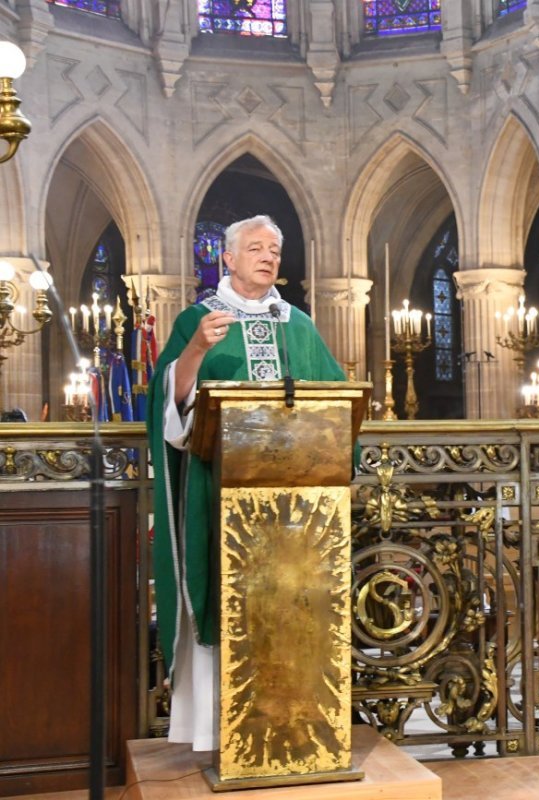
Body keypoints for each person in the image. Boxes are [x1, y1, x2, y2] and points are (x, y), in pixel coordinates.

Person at [148, 215, 347, 752]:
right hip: (218, 493)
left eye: (275, 250)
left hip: (295, 506)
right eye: (255, 248)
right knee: (225, 594)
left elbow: (337, 400)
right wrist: (195, 350)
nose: (267, 257)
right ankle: (219, 731)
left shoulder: (298, 325)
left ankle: (294, 723)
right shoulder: (200, 318)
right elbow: (172, 403)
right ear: (228, 259)